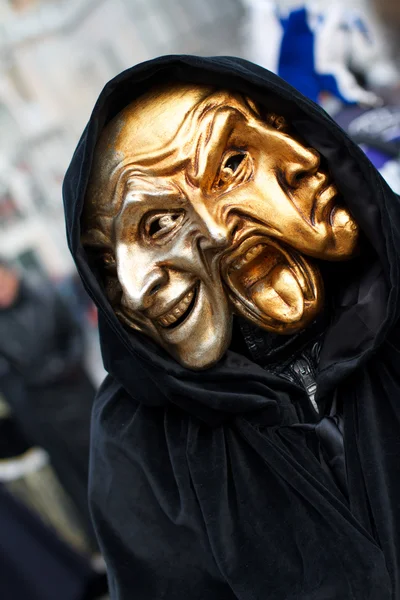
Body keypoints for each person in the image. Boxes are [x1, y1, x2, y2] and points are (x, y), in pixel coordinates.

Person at [63, 56, 400, 599]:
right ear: (113, 280)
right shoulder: (142, 440)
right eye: (161, 222)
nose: (218, 232)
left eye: (230, 166)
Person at [0, 259, 97, 549]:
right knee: (73, 481)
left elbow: (76, 338)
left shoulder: (47, 298)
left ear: (13, 275)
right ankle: (100, 541)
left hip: (76, 401)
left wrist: (57, 369)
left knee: (103, 462)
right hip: (39, 416)